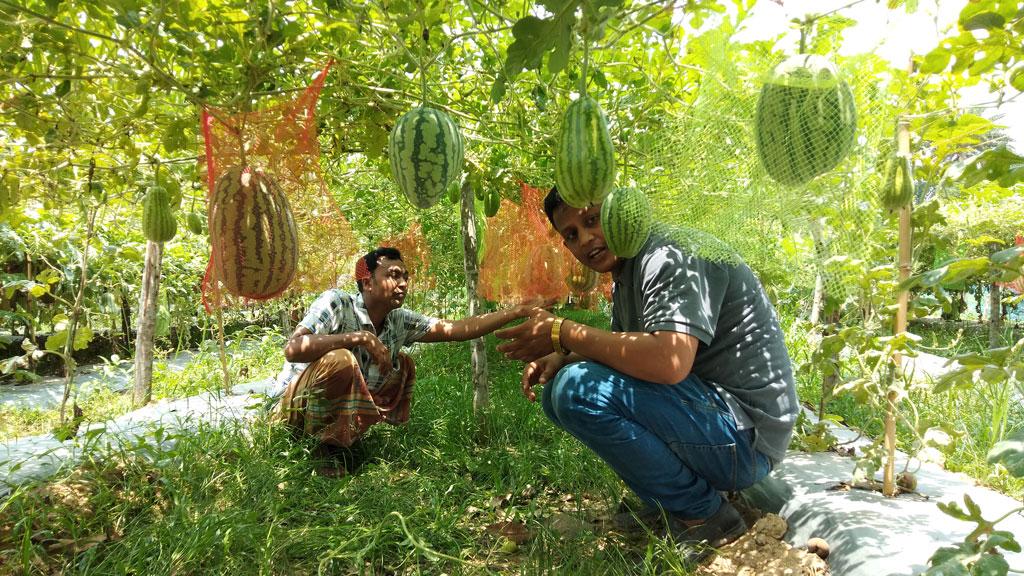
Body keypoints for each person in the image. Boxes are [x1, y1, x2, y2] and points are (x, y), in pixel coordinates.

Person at [495, 188, 798, 560]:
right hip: (719, 424)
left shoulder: (668, 255)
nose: (586, 238)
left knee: (578, 390)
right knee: (558, 395)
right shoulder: (628, 274)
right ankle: (673, 503)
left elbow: (667, 362)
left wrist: (562, 331)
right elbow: (626, 350)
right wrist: (561, 357)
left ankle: (706, 516)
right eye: (571, 234)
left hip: (746, 440)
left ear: (622, 211)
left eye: (592, 220)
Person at [271, 246, 534, 471]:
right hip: (291, 411)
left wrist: (515, 312)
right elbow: (294, 348)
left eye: (405, 277)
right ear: (367, 282)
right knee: (341, 360)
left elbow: (456, 329)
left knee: (404, 364)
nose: (404, 283)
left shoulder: (398, 320)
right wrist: (358, 338)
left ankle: (345, 441)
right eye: (394, 275)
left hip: (324, 409)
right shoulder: (338, 303)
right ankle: (320, 452)